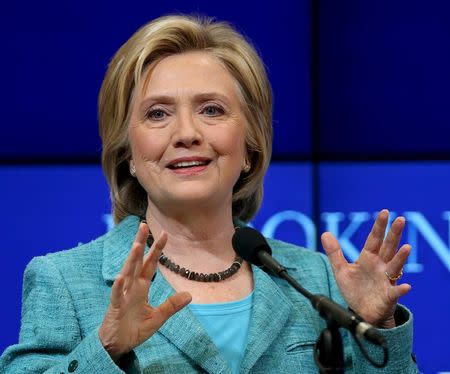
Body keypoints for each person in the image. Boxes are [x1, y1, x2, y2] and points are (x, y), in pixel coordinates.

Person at [0, 14, 418, 373]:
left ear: (251, 146)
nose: (186, 134)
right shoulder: (65, 281)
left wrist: (375, 325)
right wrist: (106, 345)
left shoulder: (317, 281)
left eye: (211, 109)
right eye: (157, 113)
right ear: (127, 152)